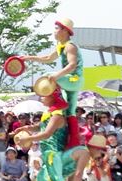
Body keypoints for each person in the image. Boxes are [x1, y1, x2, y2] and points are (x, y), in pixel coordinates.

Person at [21, 18, 84, 149]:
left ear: (65, 31)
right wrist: (28, 58)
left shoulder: (70, 46)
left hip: (74, 79)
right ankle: (72, 142)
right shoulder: (60, 46)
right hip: (69, 81)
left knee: (49, 77)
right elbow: (47, 58)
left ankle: (56, 101)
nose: (54, 31)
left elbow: (72, 65)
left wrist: (57, 75)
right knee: (70, 111)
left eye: (56, 28)